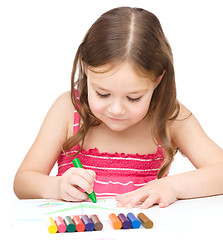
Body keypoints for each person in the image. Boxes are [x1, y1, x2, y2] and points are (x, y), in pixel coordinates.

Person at [14, 7, 223, 209]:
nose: (116, 109)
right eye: (103, 94)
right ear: (87, 70)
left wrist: (173, 186)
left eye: (133, 98)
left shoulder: (170, 117)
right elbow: (23, 182)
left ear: (158, 79)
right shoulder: (68, 110)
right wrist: (57, 187)